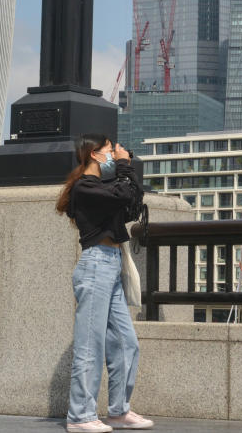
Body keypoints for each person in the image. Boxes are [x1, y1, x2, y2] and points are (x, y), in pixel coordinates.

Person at [56, 135, 154, 432]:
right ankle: (80, 415)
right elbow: (124, 194)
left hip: (111, 265)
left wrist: (125, 168)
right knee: (90, 344)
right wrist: (124, 165)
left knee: (126, 342)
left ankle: (118, 410)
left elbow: (132, 201)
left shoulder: (101, 187)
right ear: (94, 155)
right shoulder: (85, 188)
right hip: (95, 265)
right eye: (110, 151)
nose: (115, 154)